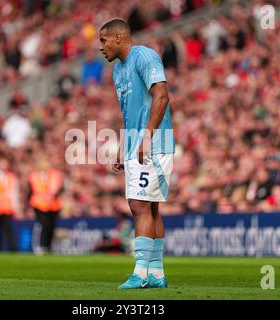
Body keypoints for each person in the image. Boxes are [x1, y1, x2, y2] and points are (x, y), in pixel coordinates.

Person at [99, 19, 175, 289]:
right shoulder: (117, 70)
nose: (101, 47)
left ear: (119, 37)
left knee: (139, 205)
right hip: (136, 142)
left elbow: (162, 96)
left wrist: (147, 136)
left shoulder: (144, 56)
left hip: (153, 141)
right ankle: (156, 274)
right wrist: (124, 144)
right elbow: (130, 112)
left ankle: (140, 273)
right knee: (150, 207)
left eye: (104, 40)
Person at [27, 159, 64, 254]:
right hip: (39, 205)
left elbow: (60, 189)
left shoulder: (55, 175)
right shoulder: (33, 176)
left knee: (51, 227)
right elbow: (30, 192)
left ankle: (49, 246)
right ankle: (43, 245)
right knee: (44, 225)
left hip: (53, 205)